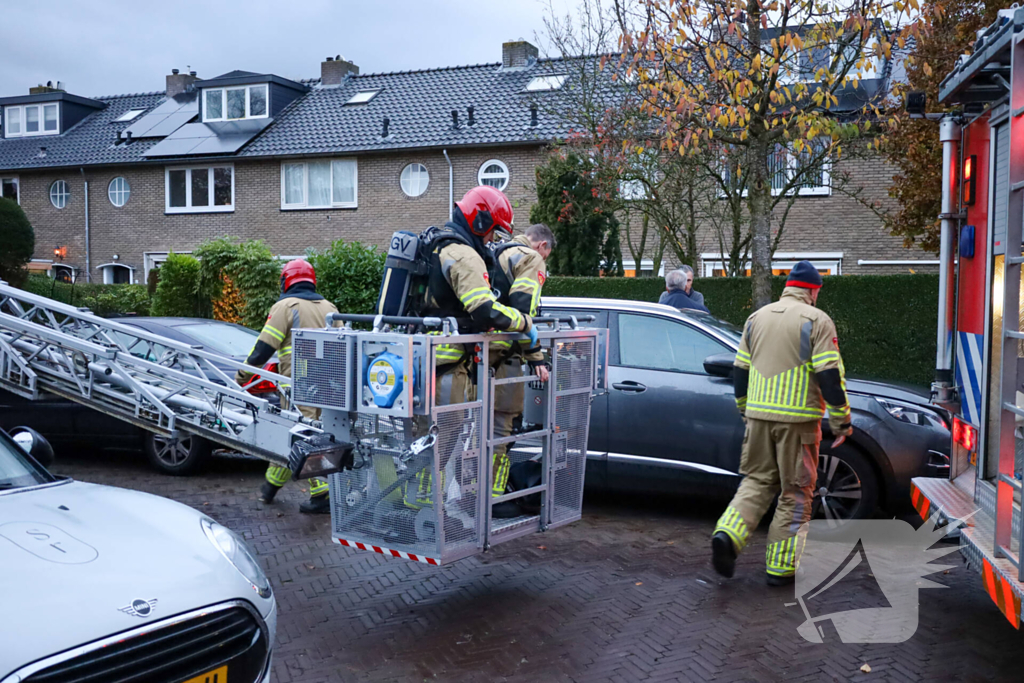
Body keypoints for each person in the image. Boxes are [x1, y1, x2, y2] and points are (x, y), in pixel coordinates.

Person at [710, 261, 852, 586]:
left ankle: (727, 534)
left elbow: (740, 370)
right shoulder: (818, 320)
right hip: (798, 421)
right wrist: (842, 420)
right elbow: (829, 375)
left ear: (788, 286)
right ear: (813, 291)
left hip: (758, 416)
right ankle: (780, 568)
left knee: (756, 482)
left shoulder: (755, 318)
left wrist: (745, 409)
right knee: (796, 492)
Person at [403, 185, 537, 510]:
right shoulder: (462, 253)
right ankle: (423, 510)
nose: (492, 241)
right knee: (440, 439)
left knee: (427, 437)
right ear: (479, 220)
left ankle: (415, 502)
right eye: (492, 232)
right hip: (447, 367)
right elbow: (484, 310)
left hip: (425, 362)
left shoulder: (439, 246)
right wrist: (523, 322)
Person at [236, 259, 339, 515]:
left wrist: (241, 375)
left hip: (298, 385)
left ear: (286, 280)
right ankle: (269, 487)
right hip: (329, 386)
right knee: (297, 435)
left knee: (301, 437)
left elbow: (263, 349)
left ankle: (322, 494)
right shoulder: (330, 308)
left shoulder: (286, 306)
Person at [489, 223, 554, 517]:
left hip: (480, 358)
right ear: (542, 247)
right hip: (504, 359)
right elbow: (523, 311)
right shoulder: (531, 258)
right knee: (504, 429)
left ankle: (478, 494)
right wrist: (536, 356)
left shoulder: (497, 252)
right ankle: (493, 498)